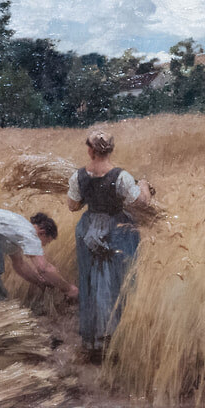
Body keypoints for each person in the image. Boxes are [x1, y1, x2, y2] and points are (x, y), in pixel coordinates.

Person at [67, 130, 151, 359]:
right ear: (110, 149)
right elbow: (140, 203)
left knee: (92, 282)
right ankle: (115, 338)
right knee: (117, 283)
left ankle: (94, 341)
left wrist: (88, 195)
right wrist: (143, 185)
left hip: (89, 230)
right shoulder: (121, 176)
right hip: (117, 231)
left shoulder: (78, 177)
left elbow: (73, 206)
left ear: (90, 150)